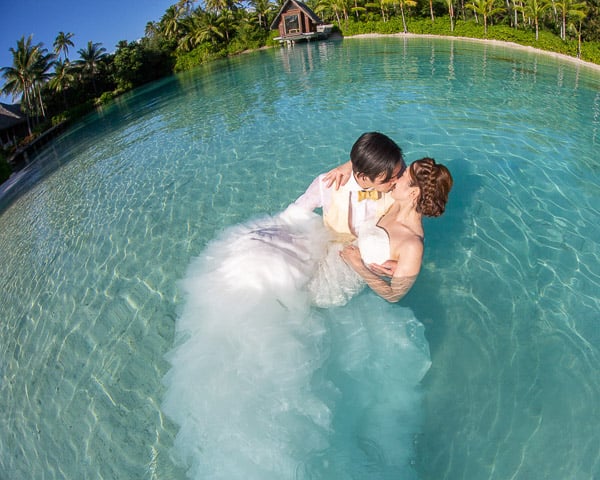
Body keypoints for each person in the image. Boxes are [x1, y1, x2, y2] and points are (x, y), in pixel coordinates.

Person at [162, 134, 437, 479]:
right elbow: (294, 214)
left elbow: (416, 197)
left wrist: (365, 265)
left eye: (399, 176)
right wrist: (345, 171)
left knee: (287, 331)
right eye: (391, 176)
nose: (397, 179)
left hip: (339, 280)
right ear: (366, 176)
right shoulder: (341, 185)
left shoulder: (396, 201)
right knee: (262, 322)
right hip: (322, 257)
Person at [339, 157, 453, 302]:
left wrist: (358, 265)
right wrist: (348, 166)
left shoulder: (412, 244)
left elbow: (394, 295)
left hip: (343, 280)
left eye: (404, 175)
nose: (395, 178)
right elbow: (380, 154)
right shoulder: (395, 202)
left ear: (413, 193)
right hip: (334, 249)